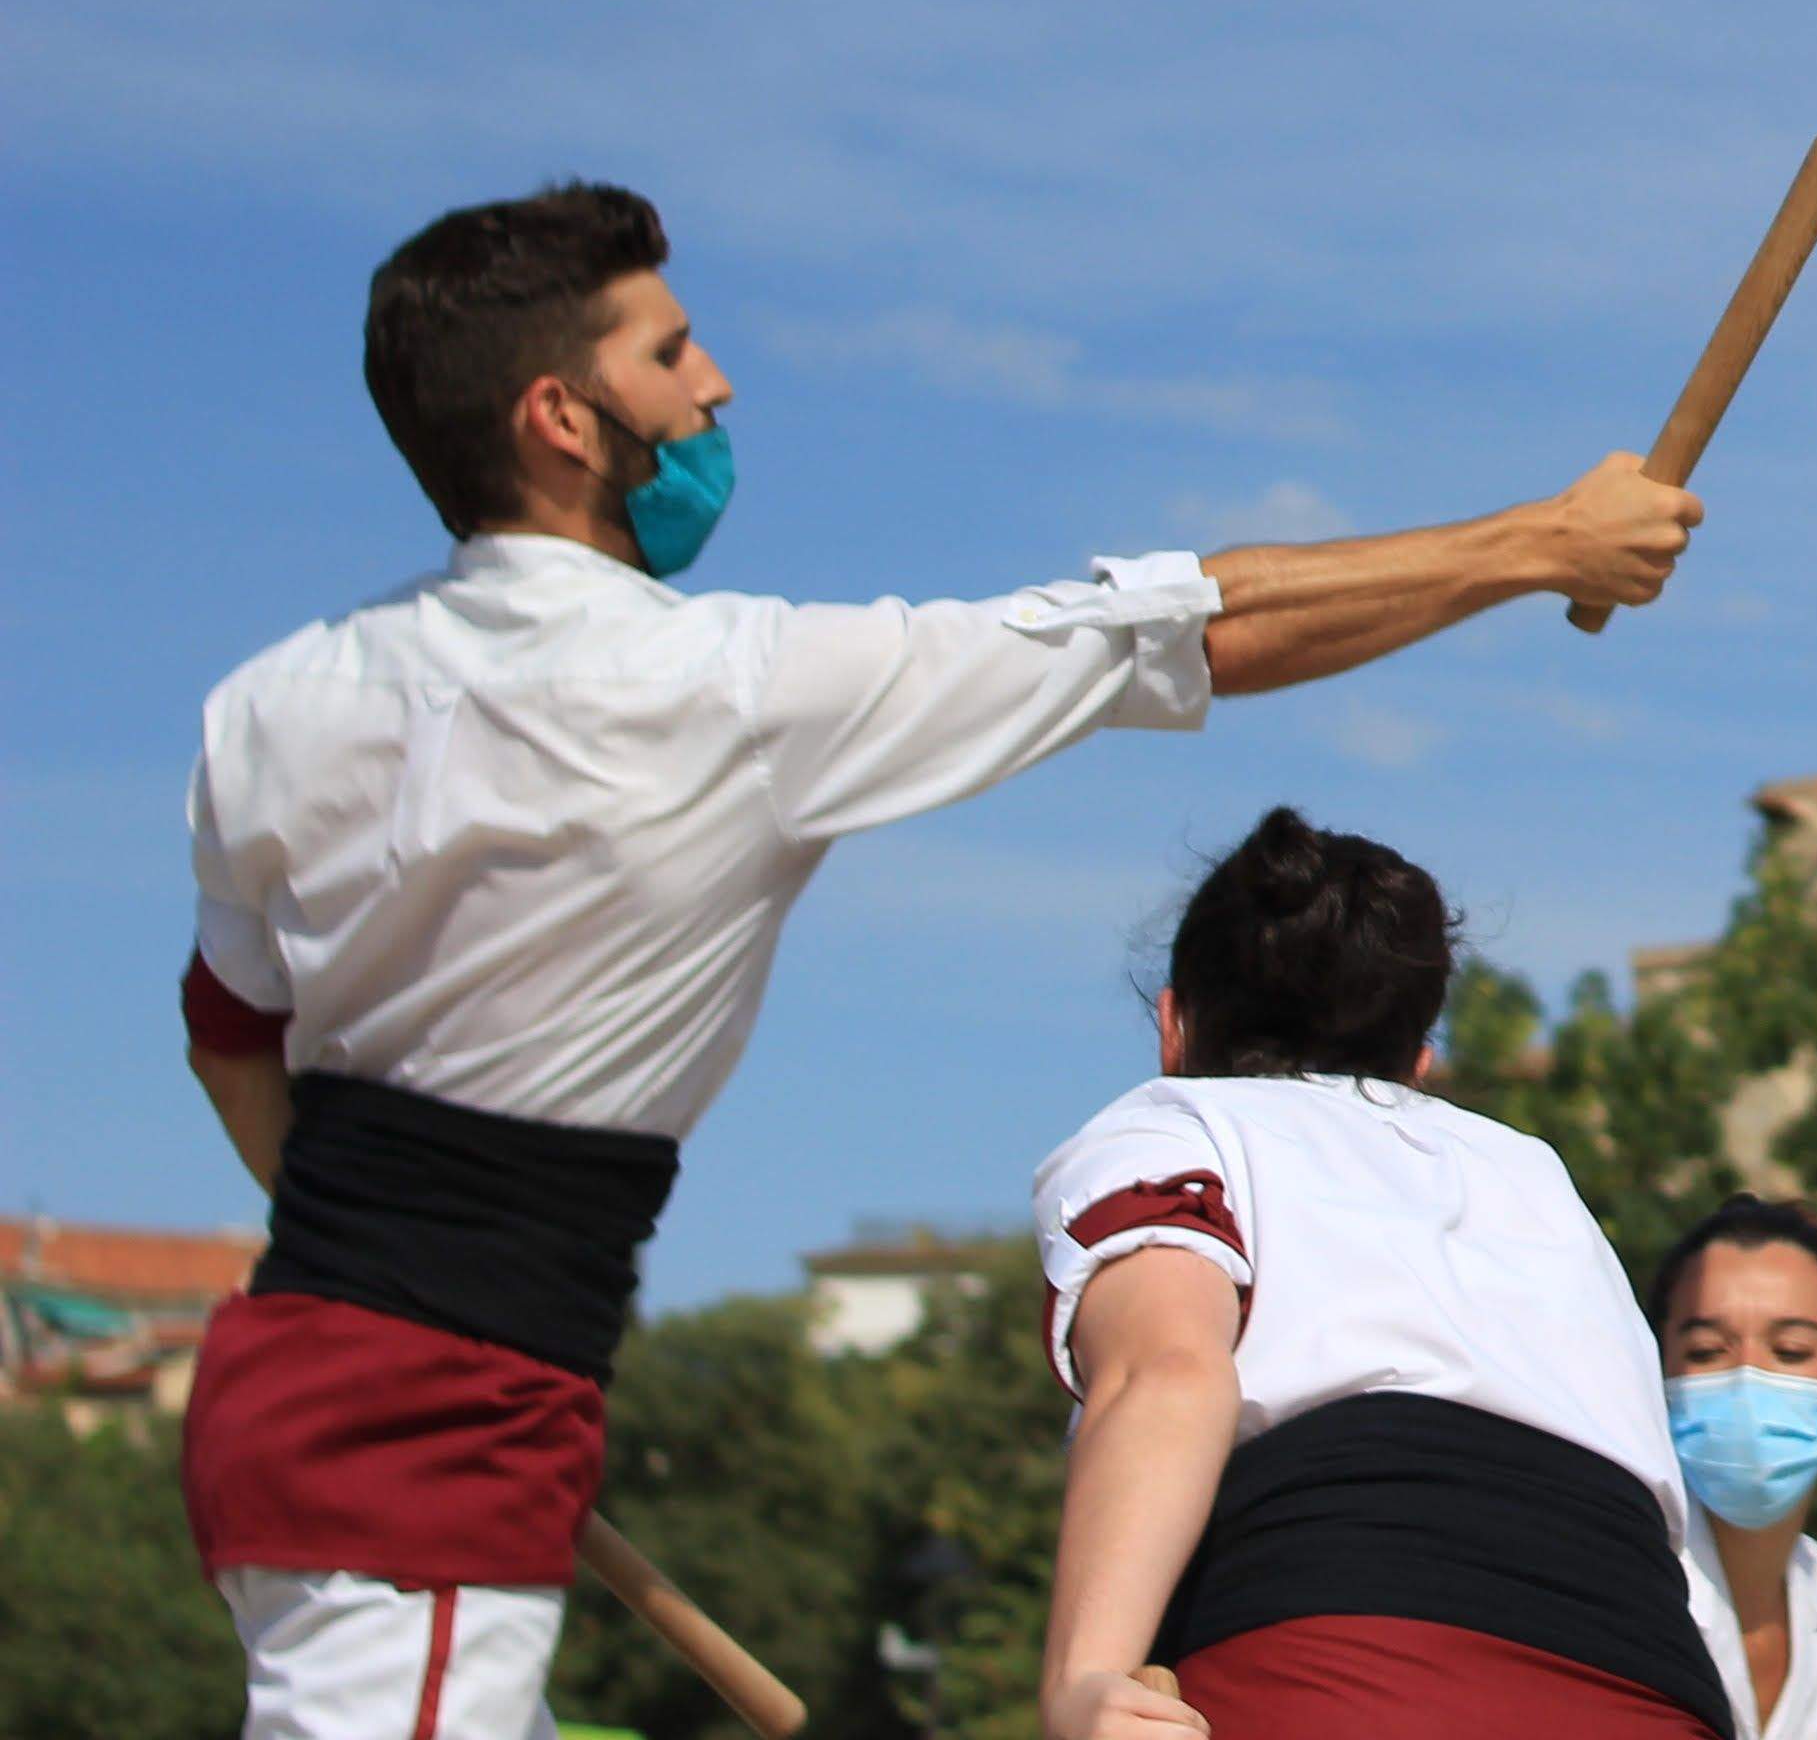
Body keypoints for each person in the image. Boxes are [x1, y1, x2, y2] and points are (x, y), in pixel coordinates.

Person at [179, 181, 1701, 1740]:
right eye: (673, 350)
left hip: (330, 1401)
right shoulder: (736, 696)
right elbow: (1181, 633)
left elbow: (233, 1039)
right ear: (564, 418)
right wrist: (1543, 543)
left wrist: (362, 1302)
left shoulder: (269, 709)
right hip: (424, 1435)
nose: (716, 387)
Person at [1033, 812, 1740, 1740]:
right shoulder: (1536, 1177)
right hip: (1654, 1689)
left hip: (1355, 1659)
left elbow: (1165, 1373)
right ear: (1419, 1065)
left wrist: (1082, 1683)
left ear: (1174, 1026)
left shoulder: (1175, 1126)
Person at [1647, 1195, 1817, 1740]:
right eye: (1706, 1351)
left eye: (1790, 1351)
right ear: (1655, 1377)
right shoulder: (1620, 1578)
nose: (1748, 1378)